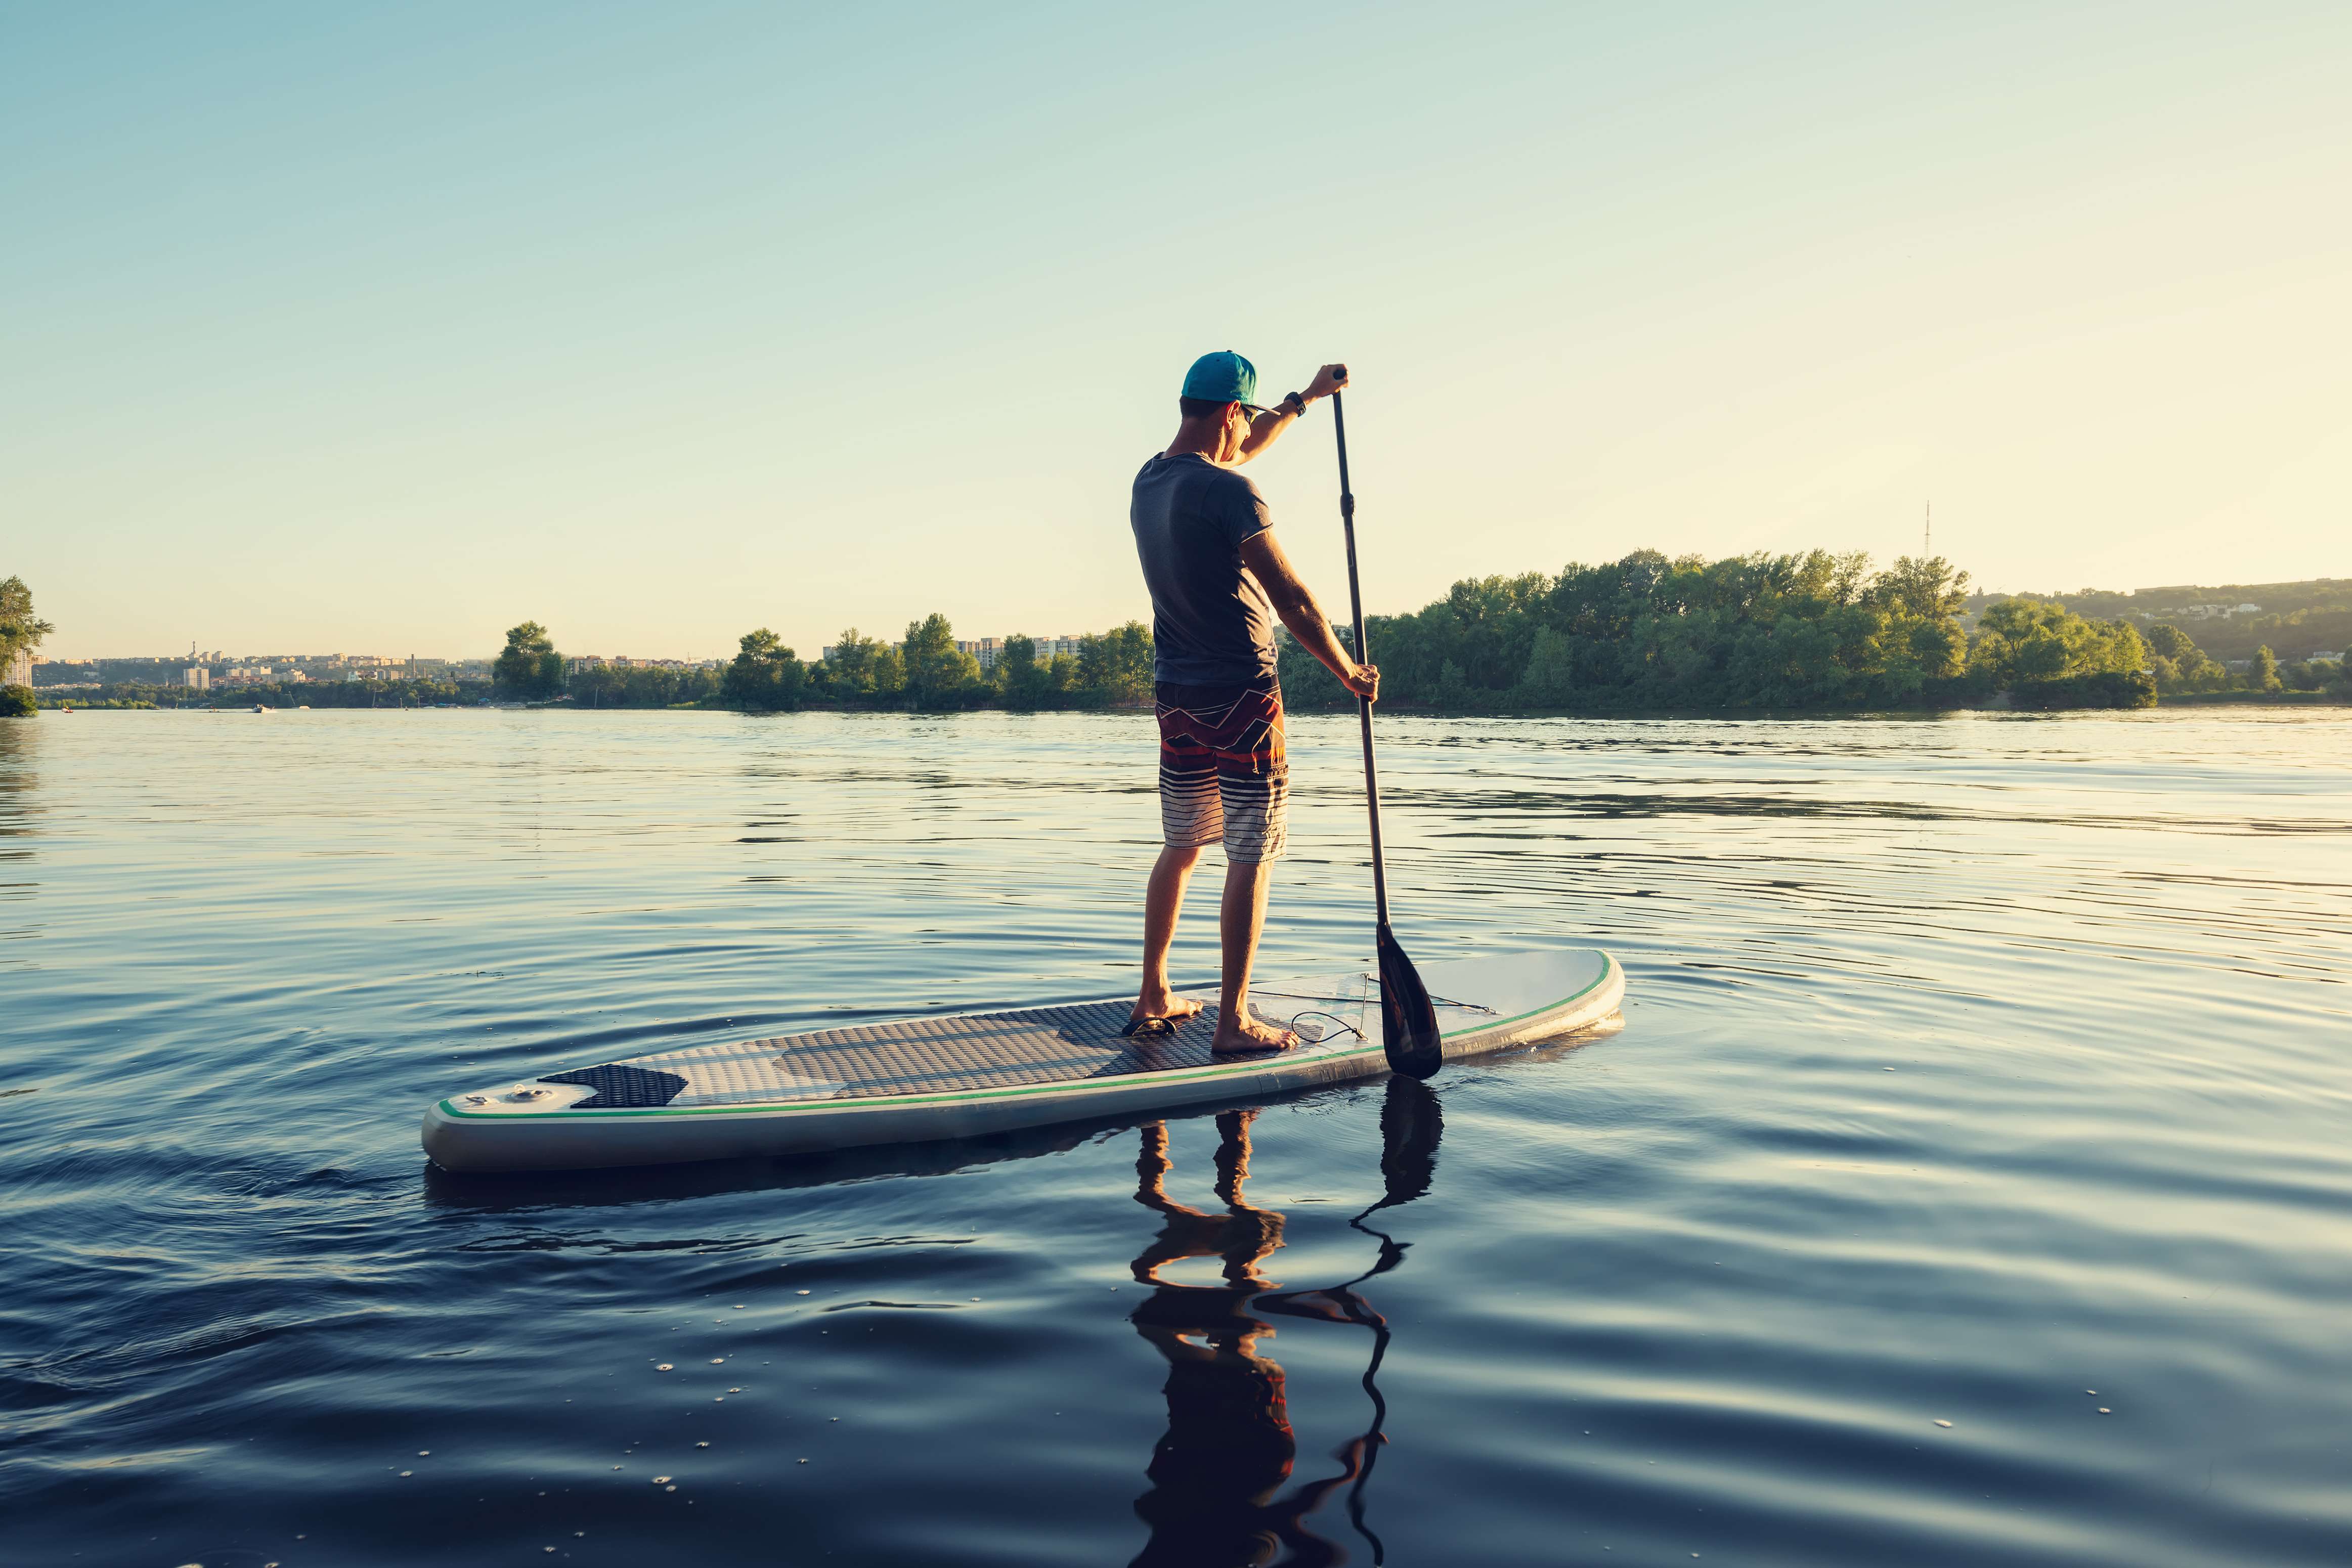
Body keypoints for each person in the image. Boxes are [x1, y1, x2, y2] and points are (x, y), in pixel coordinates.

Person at [1126, 351, 1378, 1054]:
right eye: (1247, 417)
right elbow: (1291, 600)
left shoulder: (1150, 480)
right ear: (1231, 413)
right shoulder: (1233, 494)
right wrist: (1346, 672)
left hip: (1175, 695)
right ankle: (1234, 1022)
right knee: (1249, 851)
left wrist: (1305, 399)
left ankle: (1153, 992)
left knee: (1181, 845)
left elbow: (1247, 438)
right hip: (1241, 694)